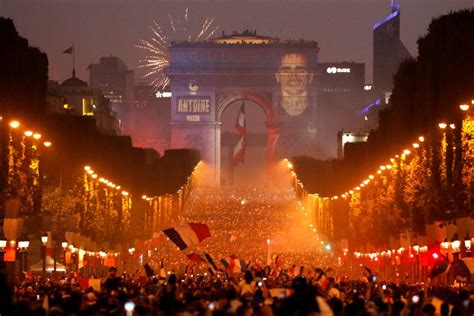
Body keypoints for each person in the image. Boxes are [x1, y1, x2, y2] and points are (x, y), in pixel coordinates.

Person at [275, 53, 314, 117]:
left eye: (300, 71)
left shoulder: (324, 107)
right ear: (277, 77)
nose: (293, 76)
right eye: (286, 71)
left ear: (310, 77)